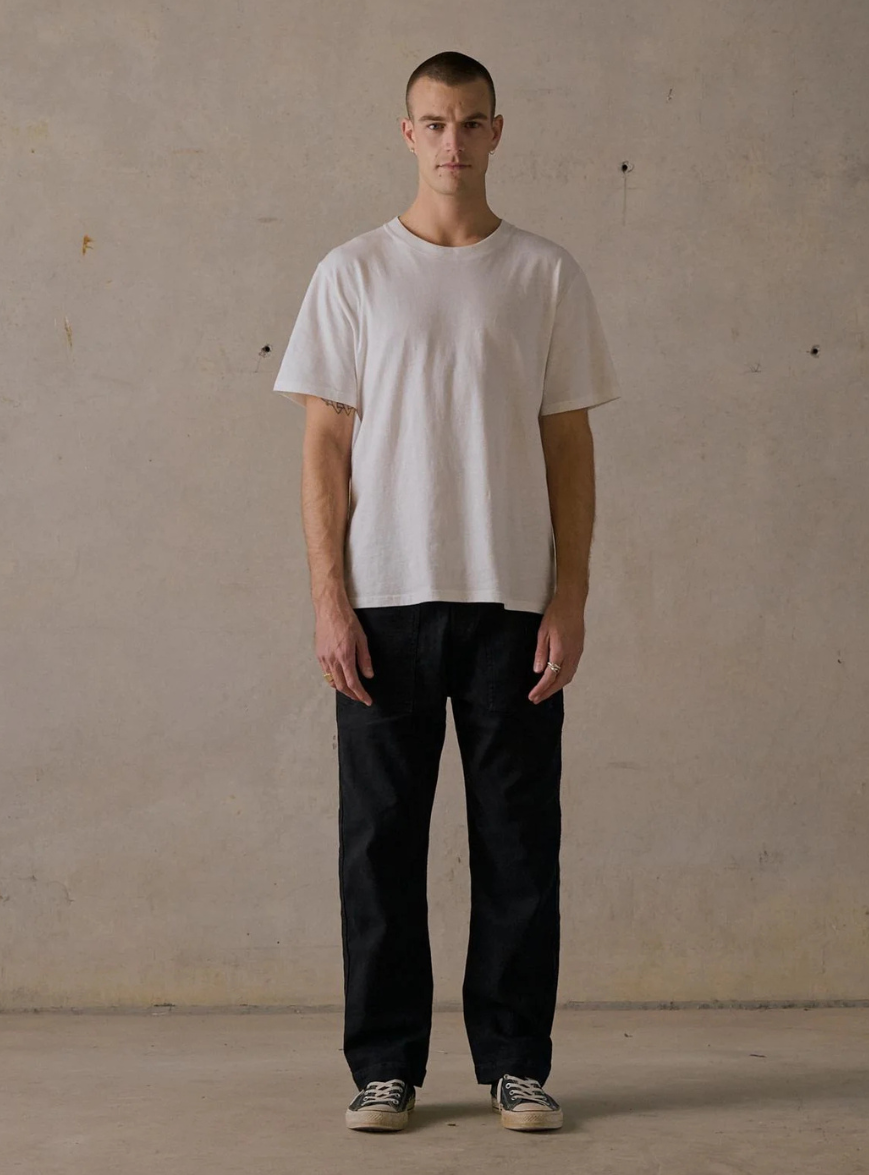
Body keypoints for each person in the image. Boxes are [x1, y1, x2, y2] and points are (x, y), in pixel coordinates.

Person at [272, 51, 620, 1133]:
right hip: (383, 600)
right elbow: (324, 446)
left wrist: (569, 595)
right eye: (433, 123)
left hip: (512, 602)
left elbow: (569, 445)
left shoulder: (544, 275)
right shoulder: (352, 273)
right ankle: (385, 1066)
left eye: (470, 122)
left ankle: (515, 1063)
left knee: (519, 844)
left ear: (496, 132)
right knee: (378, 845)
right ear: (407, 134)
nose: (452, 142)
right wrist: (328, 598)